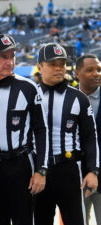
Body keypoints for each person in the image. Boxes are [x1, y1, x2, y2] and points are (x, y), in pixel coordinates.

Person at [0, 34, 48, 225]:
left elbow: (41, 129)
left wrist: (41, 170)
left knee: (23, 219)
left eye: (12, 56)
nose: (10, 62)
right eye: (4, 57)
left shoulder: (28, 87)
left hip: (20, 165)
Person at [35, 43, 99, 225]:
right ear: (40, 67)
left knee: (75, 221)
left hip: (69, 169)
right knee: (39, 219)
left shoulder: (78, 97)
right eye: (52, 64)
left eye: (62, 64)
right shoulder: (31, 94)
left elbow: (89, 136)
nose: (58, 68)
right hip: (39, 171)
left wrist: (93, 170)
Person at [75, 54, 101, 225]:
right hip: (76, 178)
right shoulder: (68, 98)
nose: (96, 73)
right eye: (90, 70)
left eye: (99, 70)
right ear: (77, 74)